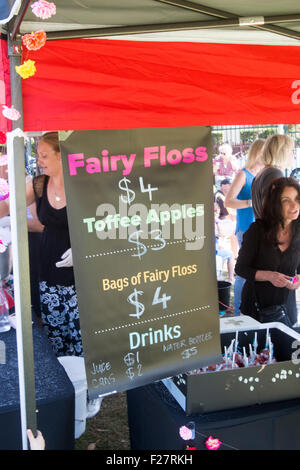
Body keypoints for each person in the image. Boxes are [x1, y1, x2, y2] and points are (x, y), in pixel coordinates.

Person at [0, 132, 83, 357]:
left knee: (82, 339)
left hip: (82, 277)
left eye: (44, 156)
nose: (39, 161)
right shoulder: (39, 184)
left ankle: (90, 390)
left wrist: (84, 248)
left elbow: (103, 224)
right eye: (38, 155)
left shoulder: (82, 184)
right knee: (56, 338)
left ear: (62, 156)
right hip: (48, 275)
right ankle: (68, 388)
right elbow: (7, 205)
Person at [235, 177, 300, 325]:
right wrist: (269, 276)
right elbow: (241, 268)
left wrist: (296, 281)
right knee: (253, 348)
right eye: (286, 200)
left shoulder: (299, 231)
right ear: (274, 204)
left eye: (297, 198)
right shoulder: (257, 231)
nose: (294, 205)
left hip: (286, 308)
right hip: (255, 308)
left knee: (285, 347)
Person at [225, 139, 265, 315]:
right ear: (258, 153)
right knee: (243, 270)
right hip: (246, 229)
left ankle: (252, 307)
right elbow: (229, 201)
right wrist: (251, 202)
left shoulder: (264, 174)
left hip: (261, 229)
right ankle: (239, 312)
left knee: (258, 269)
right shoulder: (244, 174)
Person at [251, 134, 295, 220]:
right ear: (282, 152)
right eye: (291, 150)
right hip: (272, 231)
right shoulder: (274, 173)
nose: (293, 154)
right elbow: (275, 211)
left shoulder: (264, 172)